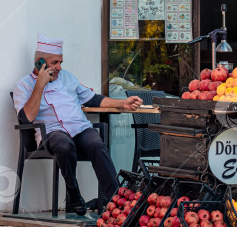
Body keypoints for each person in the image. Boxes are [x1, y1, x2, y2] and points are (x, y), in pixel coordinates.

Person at [13, 34, 142, 216]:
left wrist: (122, 103)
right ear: (40, 62)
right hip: (52, 134)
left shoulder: (68, 78)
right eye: (55, 62)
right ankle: (73, 193)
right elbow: (26, 118)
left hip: (79, 128)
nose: (59, 67)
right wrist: (40, 86)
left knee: (96, 144)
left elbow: (92, 99)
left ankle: (117, 202)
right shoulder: (24, 85)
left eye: (61, 62)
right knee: (63, 143)